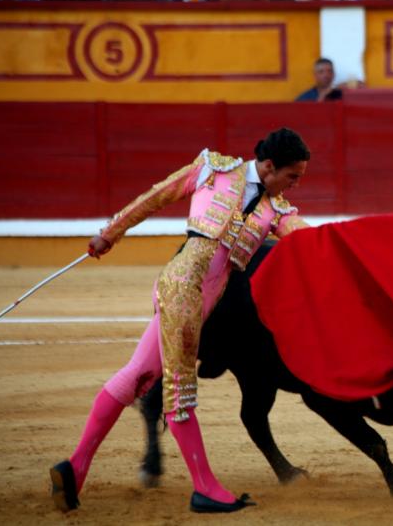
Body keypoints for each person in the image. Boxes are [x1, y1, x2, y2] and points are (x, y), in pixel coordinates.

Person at [49, 128, 310, 514]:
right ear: (269, 166)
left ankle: (75, 468)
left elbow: (312, 244)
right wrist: (110, 233)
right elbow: (156, 197)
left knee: (136, 375)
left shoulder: (276, 210)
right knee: (180, 389)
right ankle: (205, 487)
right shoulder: (213, 170)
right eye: (292, 176)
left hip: (197, 297)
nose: (295, 185)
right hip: (184, 289)